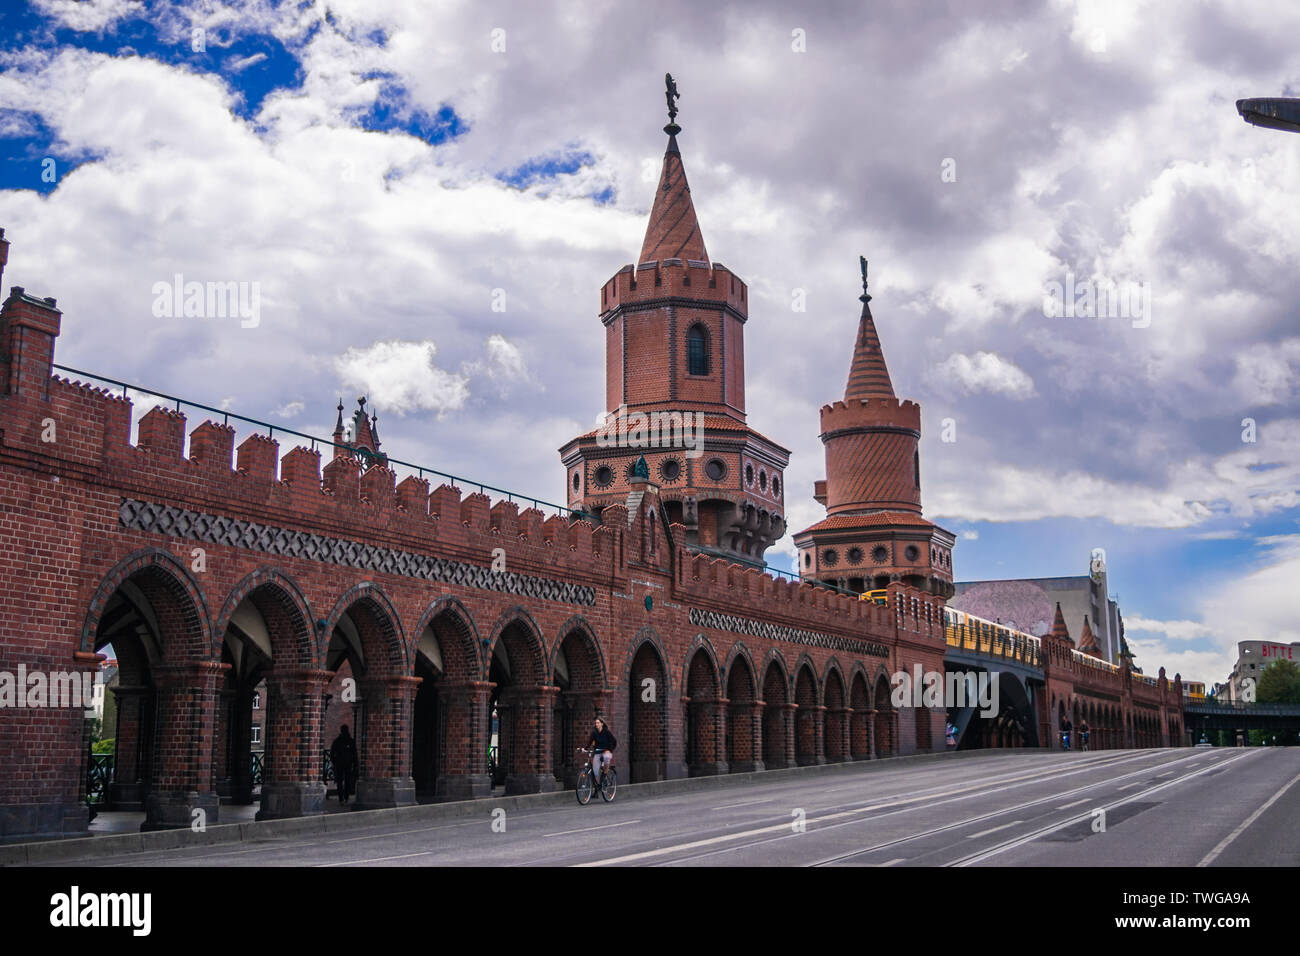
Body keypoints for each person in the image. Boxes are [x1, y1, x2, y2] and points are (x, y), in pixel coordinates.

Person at [330, 724, 359, 805]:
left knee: (340, 781)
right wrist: (355, 763)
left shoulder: (337, 741)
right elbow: (354, 753)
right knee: (347, 781)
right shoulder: (350, 741)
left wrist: (334, 761)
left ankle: (341, 798)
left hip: (340, 763)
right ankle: (345, 797)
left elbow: (332, 753)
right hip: (347, 763)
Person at [587, 717, 617, 786]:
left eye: (598, 723)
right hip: (598, 752)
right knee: (595, 772)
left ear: (602, 724)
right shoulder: (594, 732)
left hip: (606, 751)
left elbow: (614, 741)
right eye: (596, 723)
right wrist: (585, 748)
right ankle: (596, 790)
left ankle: (604, 778)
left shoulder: (606, 732)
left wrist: (610, 750)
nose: (596, 724)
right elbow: (590, 742)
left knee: (606, 758)